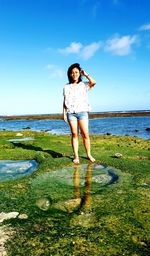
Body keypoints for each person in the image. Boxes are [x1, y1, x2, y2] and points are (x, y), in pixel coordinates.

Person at [63, 63, 96, 164]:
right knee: (74, 134)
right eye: (72, 73)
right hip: (71, 113)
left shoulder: (84, 85)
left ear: (79, 73)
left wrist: (86, 74)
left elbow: (94, 82)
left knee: (85, 134)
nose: (74, 74)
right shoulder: (66, 86)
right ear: (69, 74)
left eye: (76, 72)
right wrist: (64, 114)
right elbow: (64, 100)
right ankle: (76, 156)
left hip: (82, 112)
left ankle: (89, 155)